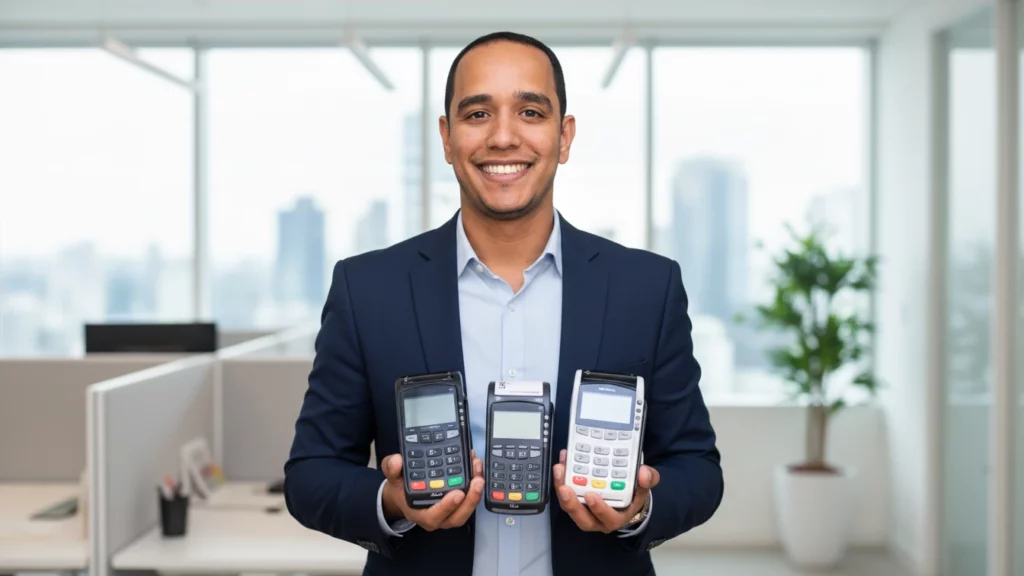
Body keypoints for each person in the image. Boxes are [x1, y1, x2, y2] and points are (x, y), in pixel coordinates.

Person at [284, 31, 724, 576]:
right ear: (446, 138)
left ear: (564, 137)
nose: (503, 136)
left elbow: (698, 470)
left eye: (531, 111)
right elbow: (310, 475)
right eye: (477, 114)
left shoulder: (646, 287)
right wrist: (393, 502)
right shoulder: (368, 288)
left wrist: (640, 507)